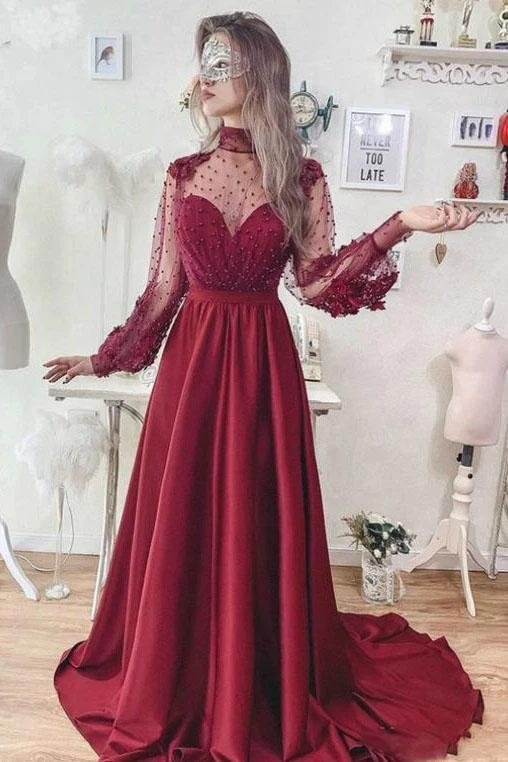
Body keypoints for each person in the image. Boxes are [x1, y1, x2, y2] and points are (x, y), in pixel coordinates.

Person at [45, 11, 484, 762]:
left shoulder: (300, 178)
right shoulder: (182, 175)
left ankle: (259, 674)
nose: (203, 79)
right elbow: (163, 292)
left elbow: (316, 284)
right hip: (191, 371)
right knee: (186, 516)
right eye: (203, 64)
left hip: (262, 369)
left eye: (219, 64)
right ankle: (179, 675)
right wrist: (103, 358)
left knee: (257, 516)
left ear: (258, 73)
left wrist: (399, 225)